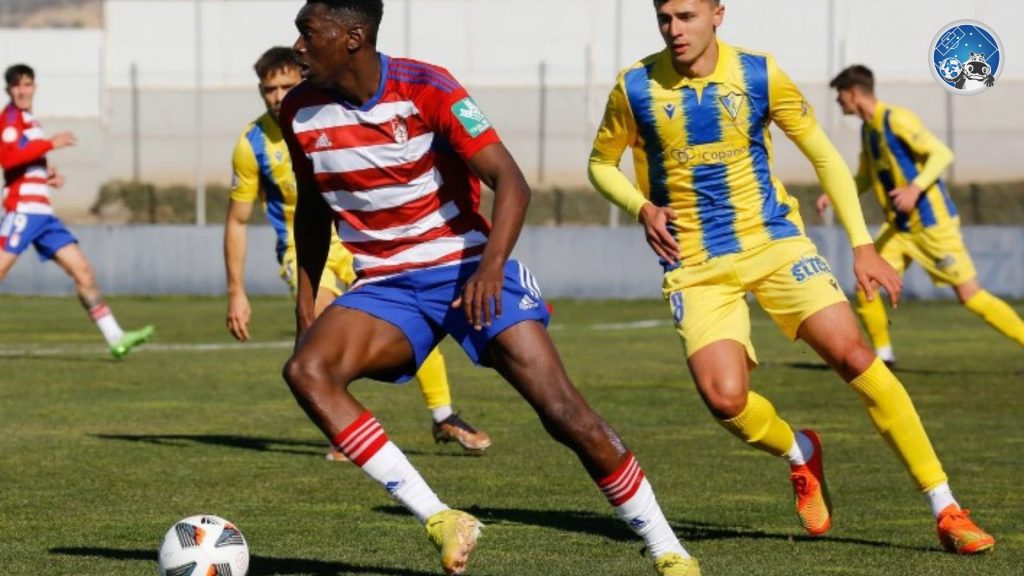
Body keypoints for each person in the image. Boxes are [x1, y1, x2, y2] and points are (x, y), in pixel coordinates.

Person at [278, 1, 701, 574]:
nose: (298, 47)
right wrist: (307, 308)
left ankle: (668, 549)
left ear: (353, 37)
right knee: (307, 370)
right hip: (386, 286)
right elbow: (310, 212)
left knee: (562, 412)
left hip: (469, 267)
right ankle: (440, 518)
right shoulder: (300, 111)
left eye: (308, 33)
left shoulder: (427, 87)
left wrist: (490, 268)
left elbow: (512, 182)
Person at [588, 0, 993, 555]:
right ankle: (800, 451)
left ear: (717, 14)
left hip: (774, 242)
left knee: (855, 355)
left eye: (687, 16)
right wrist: (642, 208)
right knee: (724, 399)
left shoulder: (759, 72)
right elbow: (600, 164)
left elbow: (824, 156)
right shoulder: (634, 87)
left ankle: (945, 507)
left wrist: (861, 245)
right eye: (665, 18)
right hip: (697, 264)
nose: (674, 29)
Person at [224, 47, 490, 457]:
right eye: (268, 90)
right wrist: (236, 291)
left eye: (285, 87)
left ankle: (443, 416)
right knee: (325, 325)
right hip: (306, 251)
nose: (277, 97)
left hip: (364, 241)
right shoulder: (252, 143)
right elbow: (237, 221)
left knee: (413, 321)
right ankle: (343, 426)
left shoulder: (331, 114)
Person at [818, 64, 1024, 366]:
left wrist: (914, 189)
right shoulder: (869, 130)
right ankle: (884, 358)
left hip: (932, 225)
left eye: (840, 96)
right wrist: (835, 194)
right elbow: (865, 177)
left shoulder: (896, 119)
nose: (838, 103)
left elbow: (942, 154)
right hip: (899, 229)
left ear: (852, 93)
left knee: (970, 296)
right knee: (867, 284)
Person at [0, 63, 153, 359]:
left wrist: (45, 175)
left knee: (83, 271)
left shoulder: (30, 120)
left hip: (43, 214)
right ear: (8, 90)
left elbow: (22, 160)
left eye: (27, 84)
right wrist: (51, 144)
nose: (22, 90)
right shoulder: (10, 118)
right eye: (16, 85)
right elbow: (7, 158)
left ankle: (116, 337)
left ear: (35, 87)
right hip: (22, 209)